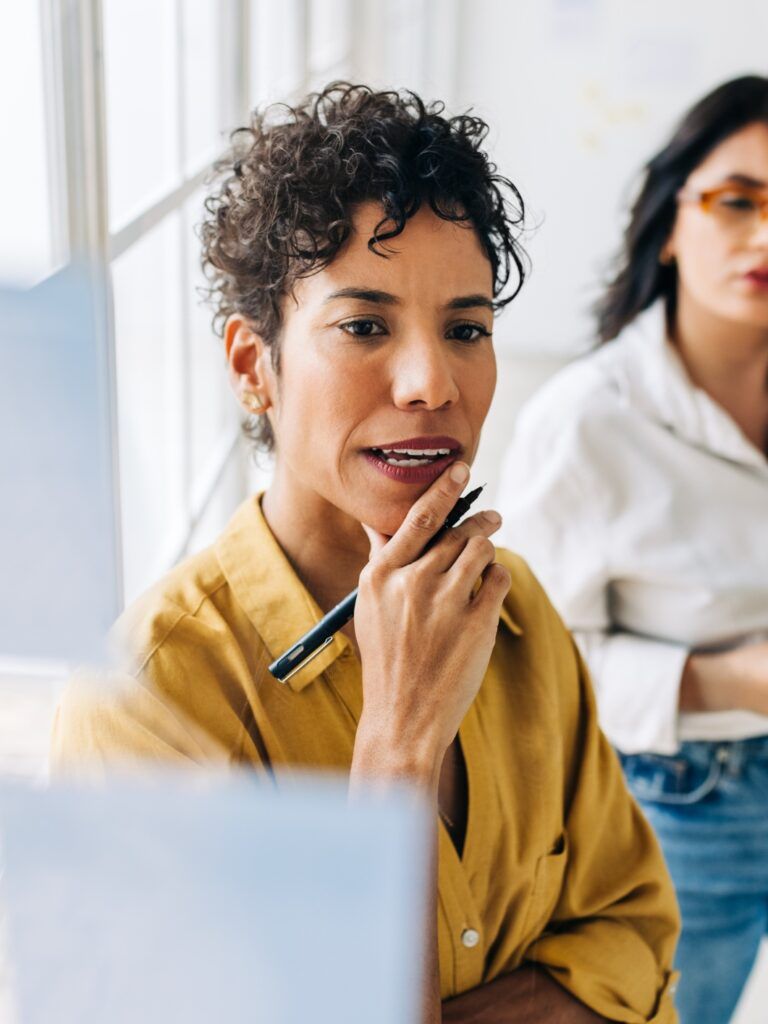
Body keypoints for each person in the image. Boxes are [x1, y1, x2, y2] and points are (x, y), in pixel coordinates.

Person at [52, 83, 679, 1023]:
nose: (433, 383)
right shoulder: (145, 707)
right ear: (251, 367)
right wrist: (397, 746)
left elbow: (637, 935)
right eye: (363, 326)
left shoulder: (517, 614)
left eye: (467, 329)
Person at [496, 75, 768, 1024]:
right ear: (669, 225)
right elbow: (527, 671)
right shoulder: (586, 423)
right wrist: (733, 681)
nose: (765, 237)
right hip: (690, 795)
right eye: (738, 202)